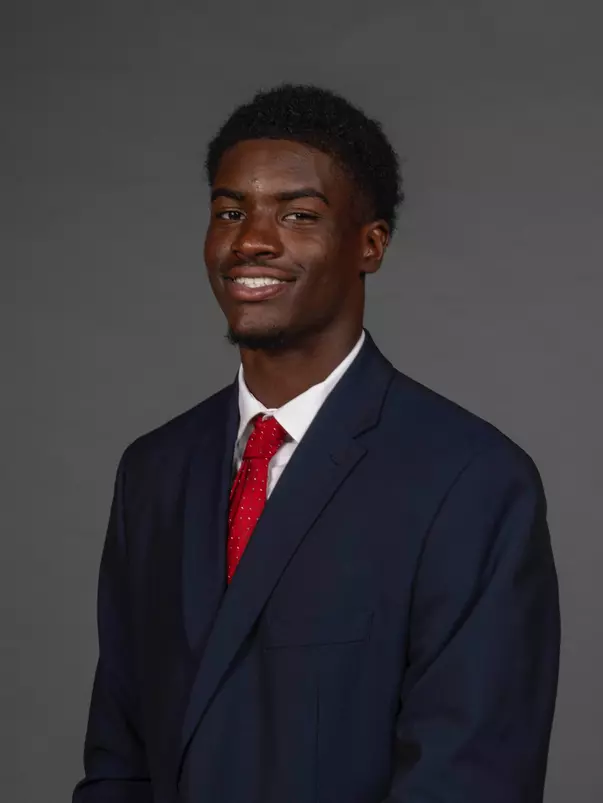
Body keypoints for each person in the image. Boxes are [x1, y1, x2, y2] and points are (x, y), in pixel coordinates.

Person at [72, 84, 560, 803]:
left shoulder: (472, 480)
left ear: (370, 244)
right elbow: (120, 754)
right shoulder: (153, 472)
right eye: (230, 212)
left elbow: (468, 777)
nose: (251, 240)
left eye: (298, 214)